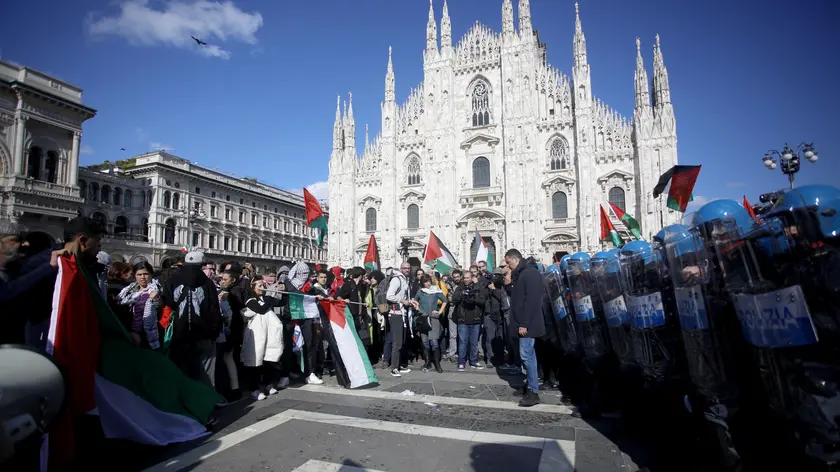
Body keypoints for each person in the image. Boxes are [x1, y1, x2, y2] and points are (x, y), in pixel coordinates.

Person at [162, 251, 222, 388]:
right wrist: (214, 331)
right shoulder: (207, 283)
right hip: (203, 332)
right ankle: (207, 398)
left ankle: (184, 399)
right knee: (206, 369)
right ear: (202, 265)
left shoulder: (172, 280)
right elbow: (214, 309)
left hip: (180, 333)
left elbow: (168, 303)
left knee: (182, 367)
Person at [505, 249, 546, 407]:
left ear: (515, 259)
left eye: (508, 263)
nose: (508, 266)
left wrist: (524, 323)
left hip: (528, 324)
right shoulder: (522, 273)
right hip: (523, 323)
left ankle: (533, 392)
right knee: (529, 356)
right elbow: (518, 297)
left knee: (526, 356)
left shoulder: (530, 273)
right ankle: (530, 386)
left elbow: (532, 301)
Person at [385, 263, 418, 377]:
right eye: (405, 268)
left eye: (409, 268)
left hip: (403, 314)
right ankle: (394, 368)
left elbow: (405, 296)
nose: (407, 270)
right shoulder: (396, 280)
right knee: (397, 342)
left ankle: (400, 365)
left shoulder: (405, 280)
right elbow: (389, 296)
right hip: (396, 314)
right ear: (400, 269)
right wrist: (403, 301)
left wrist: (411, 301)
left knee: (403, 341)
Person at [452, 271, 488, 371]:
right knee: (463, 342)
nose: (466, 280)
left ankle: (473, 361)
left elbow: (483, 301)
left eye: (468, 278)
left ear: (472, 278)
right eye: (465, 278)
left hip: (475, 320)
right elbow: (454, 300)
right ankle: (461, 362)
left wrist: (474, 299)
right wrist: (462, 294)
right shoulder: (460, 288)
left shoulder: (478, 288)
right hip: (463, 320)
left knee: (474, 342)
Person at [414, 274, 447, 373]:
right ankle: (427, 362)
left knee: (434, 341)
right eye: (425, 281)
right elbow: (415, 301)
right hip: (423, 319)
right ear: (422, 282)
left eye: (429, 281)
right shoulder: (420, 291)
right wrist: (417, 308)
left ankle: (437, 363)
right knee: (424, 341)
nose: (427, 283)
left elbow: (445, 301)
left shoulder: (435, 290)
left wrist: (439, 311)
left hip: (433, 319)